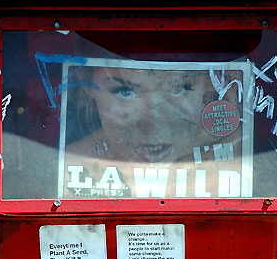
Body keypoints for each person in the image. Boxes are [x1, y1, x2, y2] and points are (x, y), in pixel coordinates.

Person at [63, 62, 245, 198]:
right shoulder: (65, 172)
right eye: (125, 91)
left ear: (211, 84)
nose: (153, 128)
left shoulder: (243, 159)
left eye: (179, 88)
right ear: (87, 85)